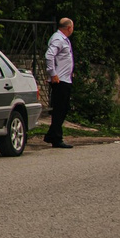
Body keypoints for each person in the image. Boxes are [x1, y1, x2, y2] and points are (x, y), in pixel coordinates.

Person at [43, 17, 76, 149]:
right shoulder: (58, 39)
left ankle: (52, 135)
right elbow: (49, 55)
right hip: (60, 80)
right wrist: (53, 73)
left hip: (65, 79)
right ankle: (56, 137)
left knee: (63, 108)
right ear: (68, 28)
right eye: (72, 27)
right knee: (59, 109)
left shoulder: (62, 39)